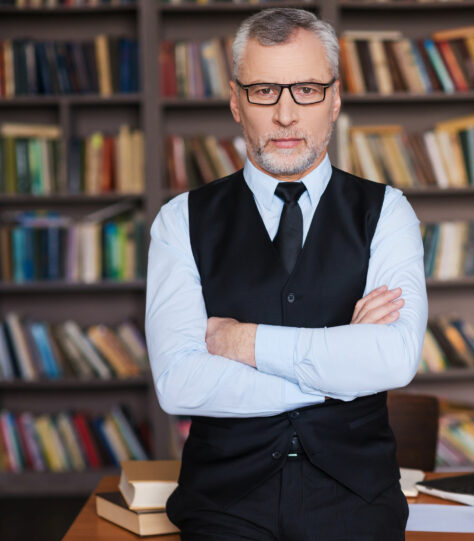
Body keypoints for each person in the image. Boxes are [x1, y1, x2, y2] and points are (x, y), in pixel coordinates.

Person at [145, 7, 428, 541]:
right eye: (264, 91)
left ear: (335, 99)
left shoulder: (388, 212)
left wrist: (240, 340)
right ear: (235, 101)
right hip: (223, 504)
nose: (286, 116)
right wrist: (340, 371)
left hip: (357, 501)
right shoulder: (180, 220)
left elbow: (394, 358)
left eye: (306, 90)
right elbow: (179, 384)